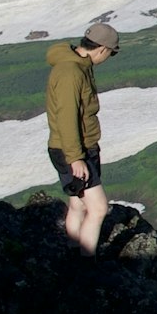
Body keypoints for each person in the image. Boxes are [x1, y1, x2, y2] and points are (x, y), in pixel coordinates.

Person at [45, 18, 122, 252]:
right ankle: (87, 263)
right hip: (73, 151)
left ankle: (72, 252)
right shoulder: (72, 72)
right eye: (110, 53)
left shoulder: (77, 66)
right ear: (101, 49)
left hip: (78, 148)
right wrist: (76, 157)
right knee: (98, 208)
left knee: (78, 205)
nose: (108, 58)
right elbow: (67, 117)